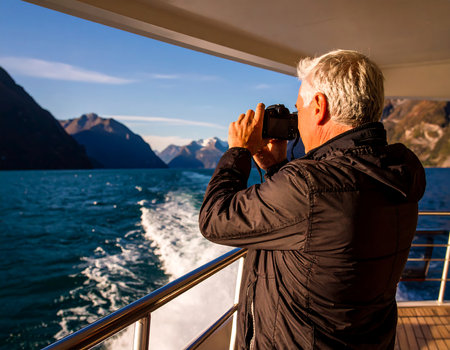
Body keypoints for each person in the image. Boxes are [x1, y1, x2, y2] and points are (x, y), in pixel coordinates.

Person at [199, 50, 426, 349]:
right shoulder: (398, 170)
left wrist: (238, 152)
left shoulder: (310, 186)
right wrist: (276, 169)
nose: (296, 121)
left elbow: (215, 220)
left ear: (319, 106)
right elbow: (318, 233)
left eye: (299, 109)